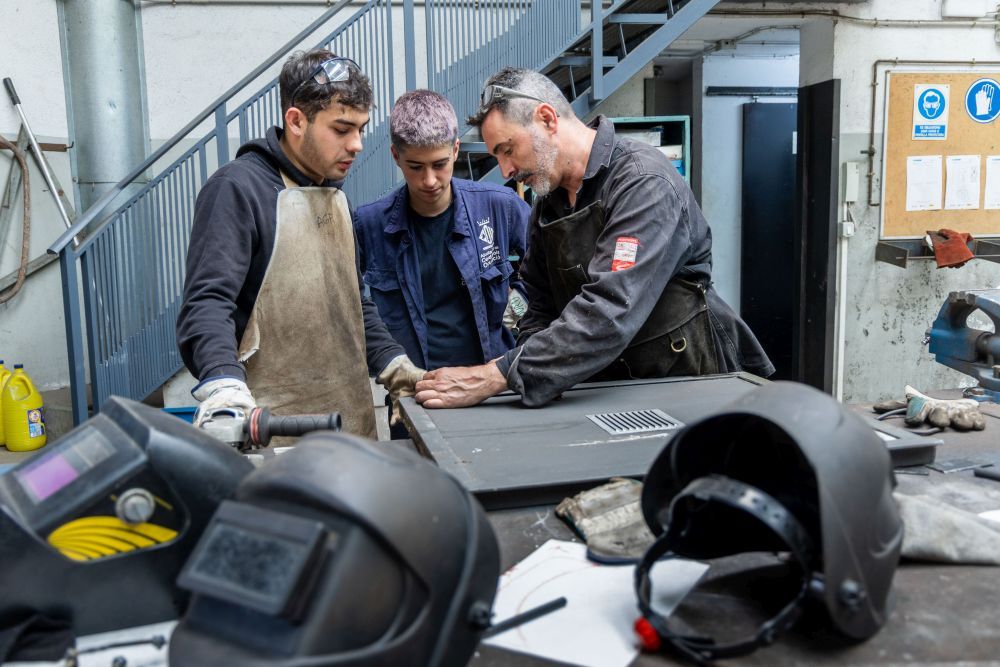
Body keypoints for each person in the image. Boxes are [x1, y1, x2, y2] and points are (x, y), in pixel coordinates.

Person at [415, 67, 773, 409]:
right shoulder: (548, 207)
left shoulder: (643, 182)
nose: (508, 171)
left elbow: (609, 310)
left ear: (546, 119)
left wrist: (500, 374)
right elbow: (537, 304)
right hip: (606, 387)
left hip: (687, 382)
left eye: (508, 150)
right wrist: (535, 372)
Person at [176, 49, 424, 440]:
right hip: (275, 435)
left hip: (350, 425)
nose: (357, 144)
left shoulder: (335, 197)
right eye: (342, 130)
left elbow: (353, 306)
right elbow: (207, 303)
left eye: (361, 128)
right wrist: (222, 383)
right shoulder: (238, 190)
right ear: (296, 120)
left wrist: (393, 362)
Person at [354, 90, 530, 435]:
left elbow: (546, 271)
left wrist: (516, 308)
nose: (429, 181)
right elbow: (349, 304)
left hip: (493, 389)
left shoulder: (499, 207)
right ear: (395, 156)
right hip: (417, 397)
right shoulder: (369, 225)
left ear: (455, 150)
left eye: (439, 164)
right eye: (415, 167)